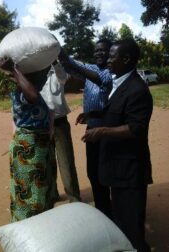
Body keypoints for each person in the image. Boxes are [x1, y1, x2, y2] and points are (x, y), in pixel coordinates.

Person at [76, 39, 153, 252]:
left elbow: (136, 128)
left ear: (126, 59)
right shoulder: (120, 82)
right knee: (120, 217)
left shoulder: (137, 89)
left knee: (132, 227)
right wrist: (94, 114)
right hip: (117, 166)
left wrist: (101, 131)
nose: (107, 60)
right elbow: (116, 111)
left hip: (129, 169)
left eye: (112, 57)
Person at [59, 39, 112, 217]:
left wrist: (75, 64)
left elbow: (99, 80)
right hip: (92, 125)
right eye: (96, 50)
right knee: (93, 171)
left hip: (109, 126)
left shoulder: (112, 71)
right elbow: (70, 66)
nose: (98, 53)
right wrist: (60, 54)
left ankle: (110, 210)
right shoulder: (91, 70)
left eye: (103, 50)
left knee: (106, 170)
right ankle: (102, 209)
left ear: (111, 52)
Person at [0, 57, 54, 222]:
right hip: (29, 151)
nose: (44, 79)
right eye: (41, 76)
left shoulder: (25, 91)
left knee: (39, 192)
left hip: (37, 149)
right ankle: (31, 233)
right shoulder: (26, 93)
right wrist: (14, 70)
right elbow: (34, 96)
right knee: (31, 196)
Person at [41, 60, 81, 202]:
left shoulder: (58, 72)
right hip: (42, 125)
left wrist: (55, 61)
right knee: (47, 161)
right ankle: (52, 194)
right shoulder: (35, 75)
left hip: (59, 123)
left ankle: (74, 197)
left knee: (66, 162)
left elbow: (63, 77)